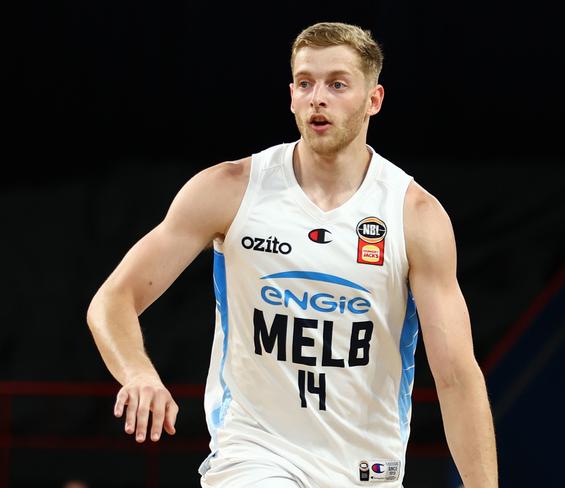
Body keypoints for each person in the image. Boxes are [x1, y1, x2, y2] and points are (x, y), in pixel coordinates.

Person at [86, 21, 498, 487]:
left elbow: (457, 379)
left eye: (337, 84)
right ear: (291, 95)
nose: (317, 97)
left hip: (366, 468)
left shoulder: (414, 216)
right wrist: (138, 374)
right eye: (305, 83)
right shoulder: (230, 189)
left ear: (374, 100)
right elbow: (113, 300)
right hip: (255, 455)